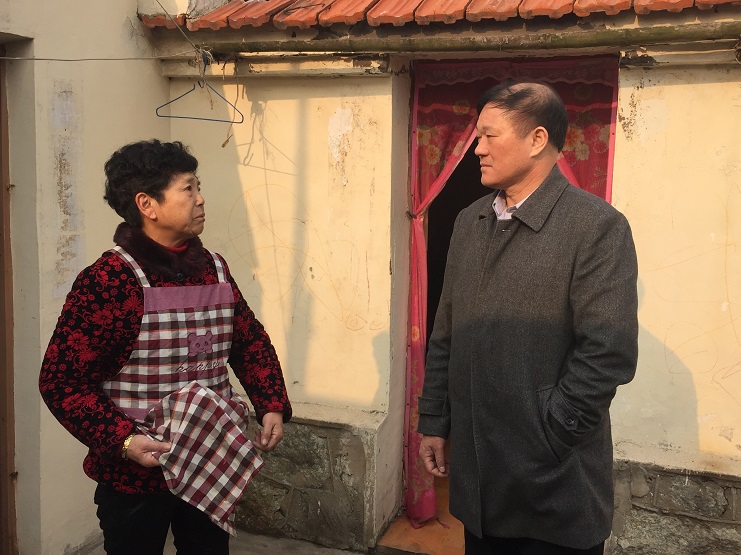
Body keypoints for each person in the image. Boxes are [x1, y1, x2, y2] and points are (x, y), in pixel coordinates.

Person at [39, 140, 292, 555]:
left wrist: (271, 403)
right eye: (188, 188)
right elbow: (62, 382)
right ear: (147, 204)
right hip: (135, 478)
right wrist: (124, 441)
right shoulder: (109, 280)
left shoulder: (215, 269)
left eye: (198, 187)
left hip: (210, 462)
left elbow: (249, 343)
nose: (200, 198)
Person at [417, 82, 638, 555]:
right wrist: (434, 420)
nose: (477, 148)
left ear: (537, 139)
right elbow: (446, 332)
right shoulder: (469, 222)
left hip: (555, 486)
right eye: (477, 136)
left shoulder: (596, 227)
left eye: (489, 136)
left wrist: (551, 432)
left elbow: (608, 352)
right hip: (480, 486)